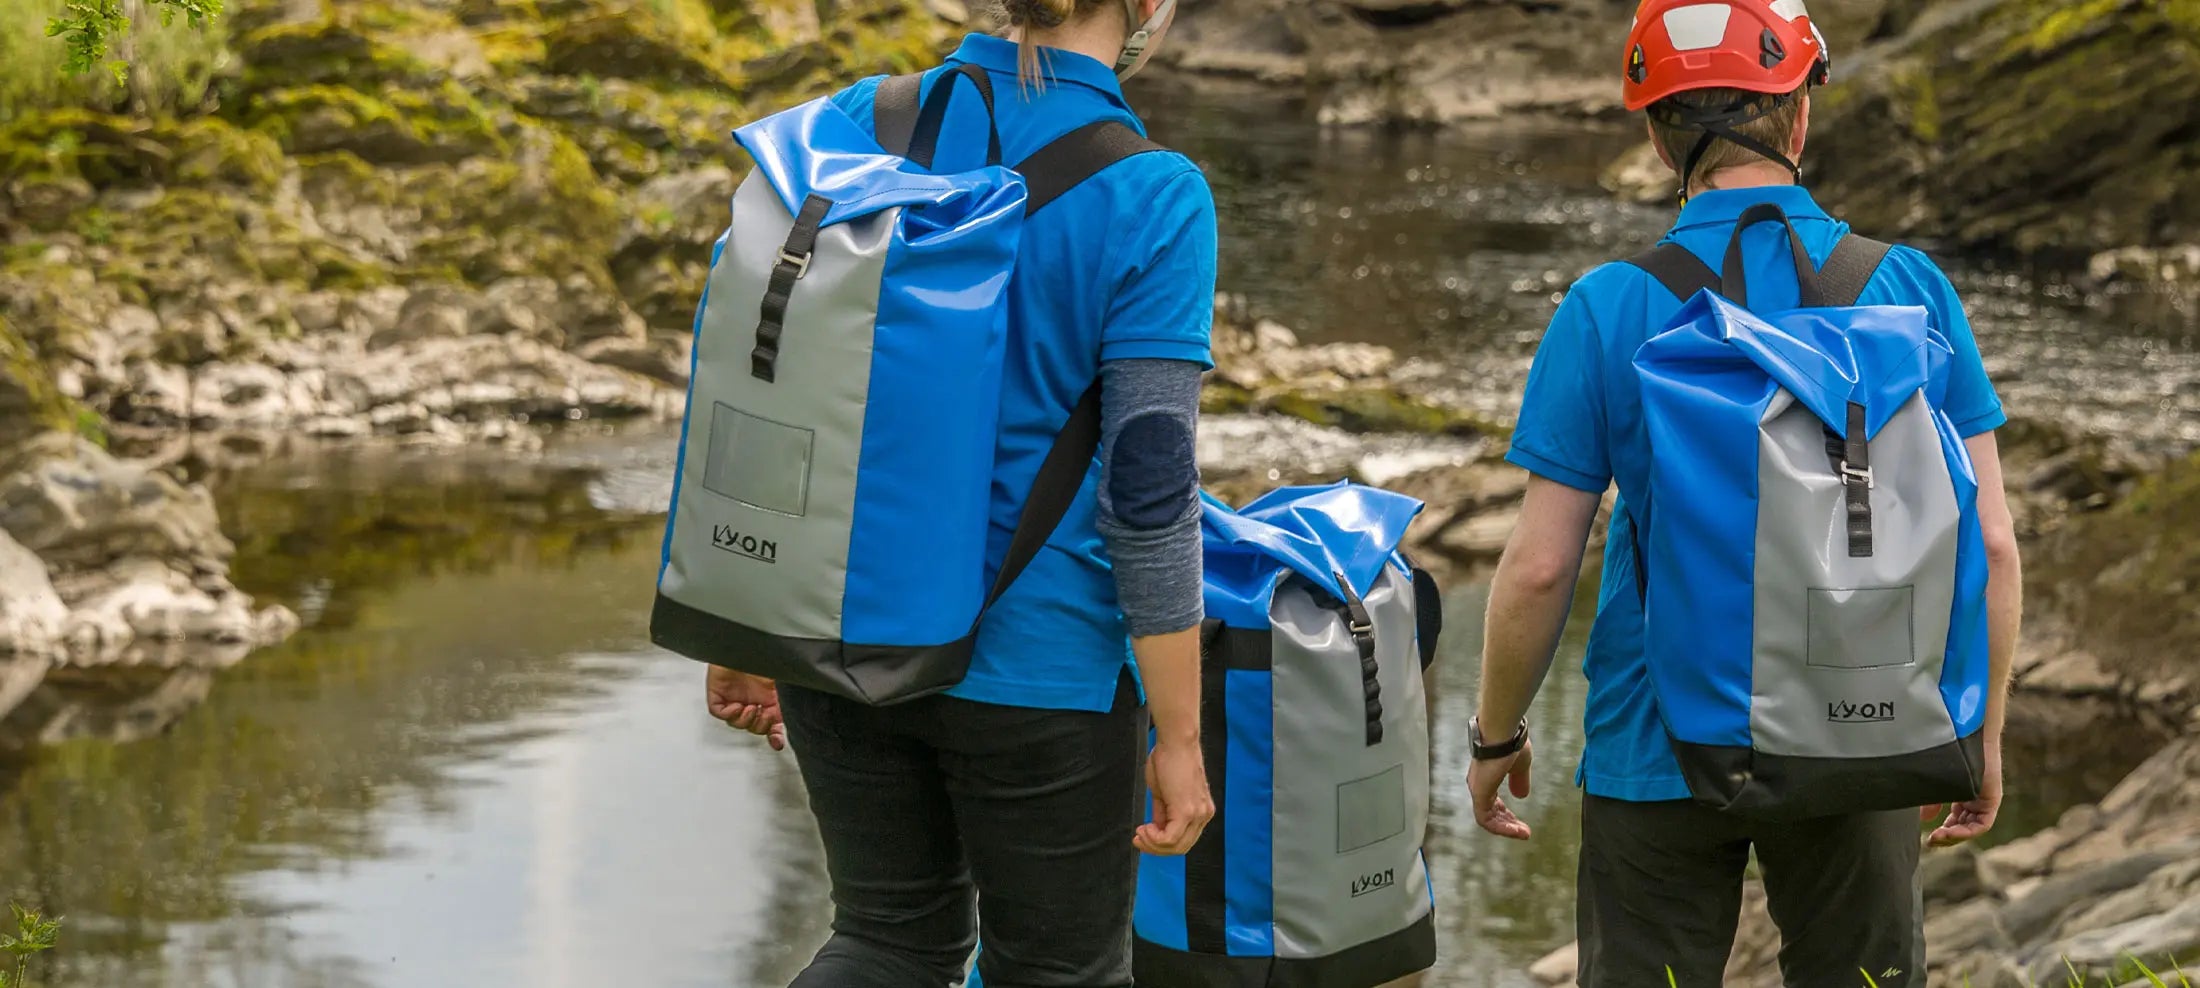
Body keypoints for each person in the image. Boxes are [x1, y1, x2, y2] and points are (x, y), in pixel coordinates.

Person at [1462, 1, 2024, 986]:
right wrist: (1979, 727)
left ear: (1656, 137)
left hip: (1658, 741)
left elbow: (1541, 567)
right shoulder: (1910, 287)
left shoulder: (1607, 304)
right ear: (1800, 116)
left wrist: (1496, 734)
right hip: (1867, 726)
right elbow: (1992, 539)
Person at [705, 1, 1220, 985]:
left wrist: (744, 622)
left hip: (833, 627)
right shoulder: (1155, 193)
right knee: (1056, 971)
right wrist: (1182, 734)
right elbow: (1150, 488)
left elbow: (757, 377)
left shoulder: (848, 124)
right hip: (1042, 669)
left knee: (885, 943)